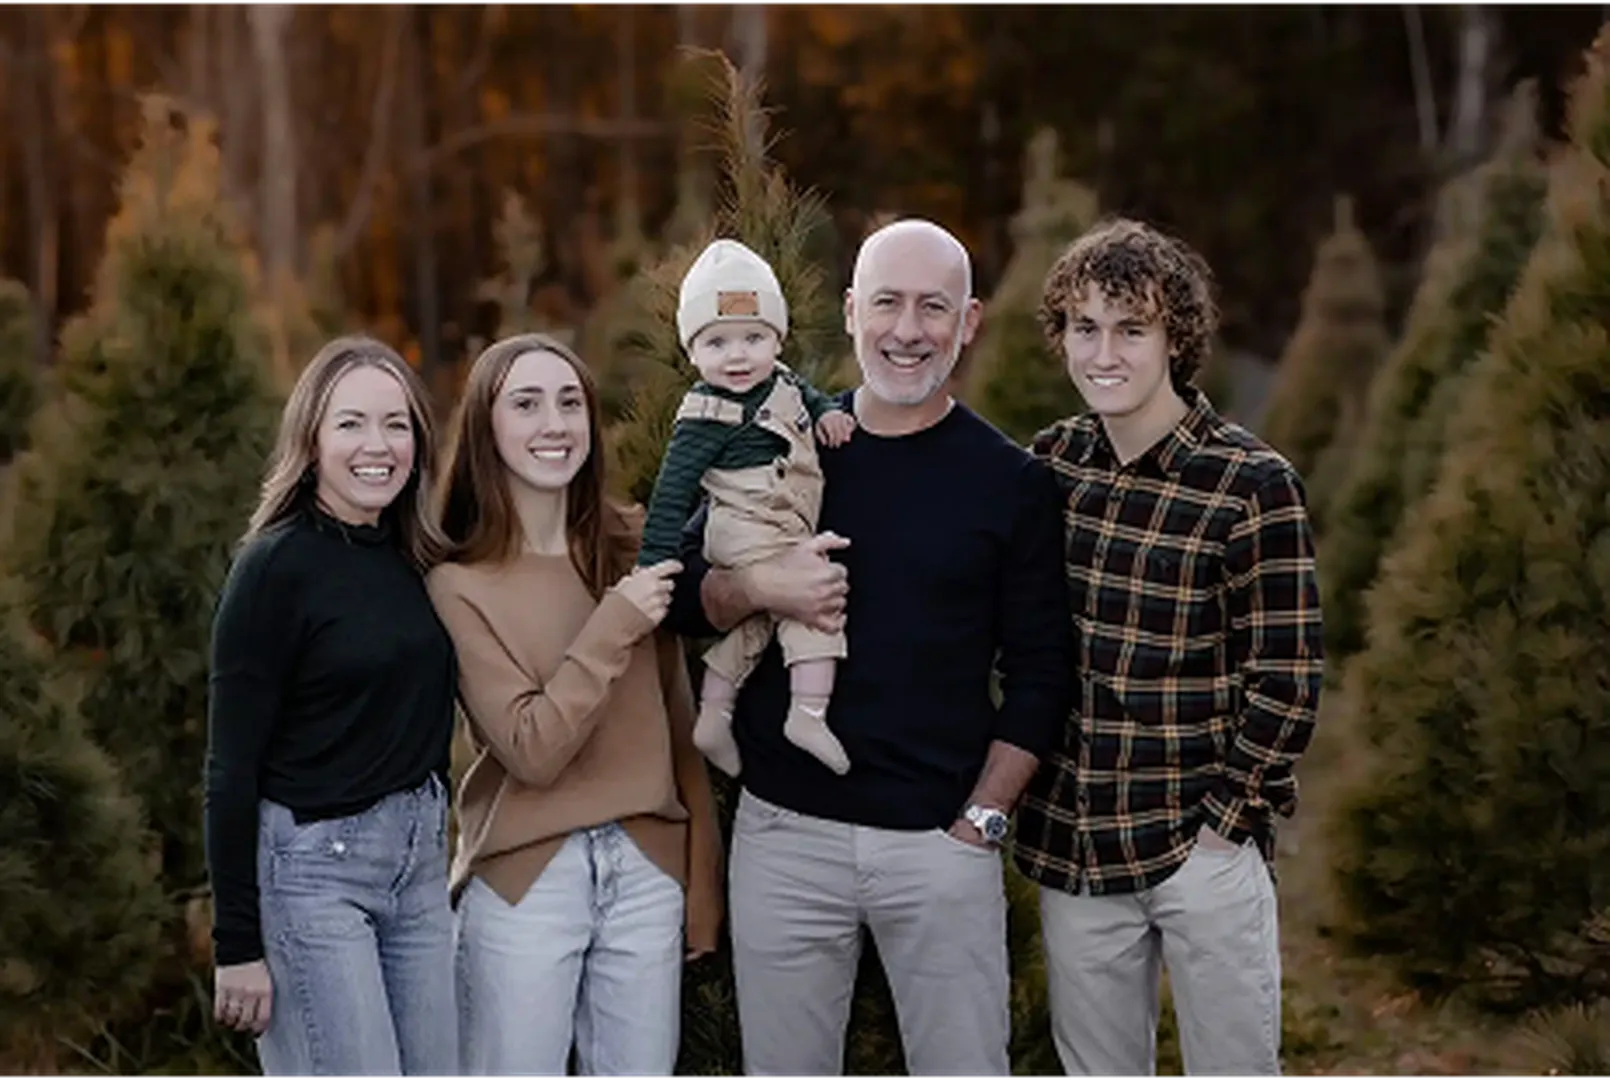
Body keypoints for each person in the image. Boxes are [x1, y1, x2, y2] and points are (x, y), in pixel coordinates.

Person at [666, 218, 1074, 1079]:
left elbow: (1041, 673)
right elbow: (688, 600)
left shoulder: (1011, 483)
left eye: (935, 307)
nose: (907, 329)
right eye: (887, 302)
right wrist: (763, 589)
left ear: (969, 323)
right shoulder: (779, 443)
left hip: (939, 847)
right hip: (786, 839)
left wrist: (982, 821)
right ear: (851, 313)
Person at [1012, 217, 1324, 1079]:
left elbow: (1288, 679)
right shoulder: (1051, 466)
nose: (1103, 353)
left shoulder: (1251, 485)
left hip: (1200, 848)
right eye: (1085, 327)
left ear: (1175, 339)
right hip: (1077, 846)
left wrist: (1222, 828)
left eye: (1131, 329)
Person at [427, 332, 723, 1079]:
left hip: (647, 874)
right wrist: (617, 620)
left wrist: (702, 881)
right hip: (527, 879)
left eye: (569, 404)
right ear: (487, 429)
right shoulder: (459, 585)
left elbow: (679, 727)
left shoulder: (633, 546)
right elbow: (531, 747)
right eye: (525, 404)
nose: (553, 424)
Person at [203, 336, 458, 1078]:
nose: (376, 445)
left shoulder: (417, 556)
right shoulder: (274, 569)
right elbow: (228, 769)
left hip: (418, 868)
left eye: (396, 424)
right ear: (311, 440)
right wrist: (238, 947)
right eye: (351, 423)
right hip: (313, 876)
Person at [639, 238, 858, 779]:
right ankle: (808, 713)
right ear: (692, 351)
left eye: (754, 338)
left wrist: (830, 412)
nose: (738, 356)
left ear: (777, 340)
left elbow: (811, 398)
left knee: (758, 622)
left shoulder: (780, 379)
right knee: (814, 594)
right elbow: (672, 491)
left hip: (776, 521)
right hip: (745, 527)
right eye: (717, 342)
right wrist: (655, 566)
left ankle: (714, 715)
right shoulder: (704, 416)